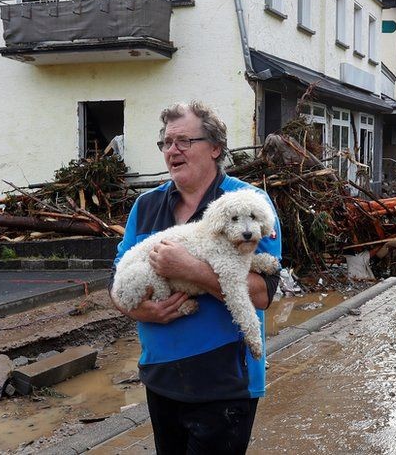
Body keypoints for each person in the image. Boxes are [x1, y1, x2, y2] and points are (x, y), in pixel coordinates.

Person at [111, 101, 282, 454]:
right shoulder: (145, 207)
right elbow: (115, 281)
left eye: (184, 141)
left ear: (215, 147)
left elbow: (263, 294)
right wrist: (138, 311)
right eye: (166, 143)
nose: (172, 150)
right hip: (161, 377)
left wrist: (191, 271)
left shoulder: (247, 205)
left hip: (224, 382)